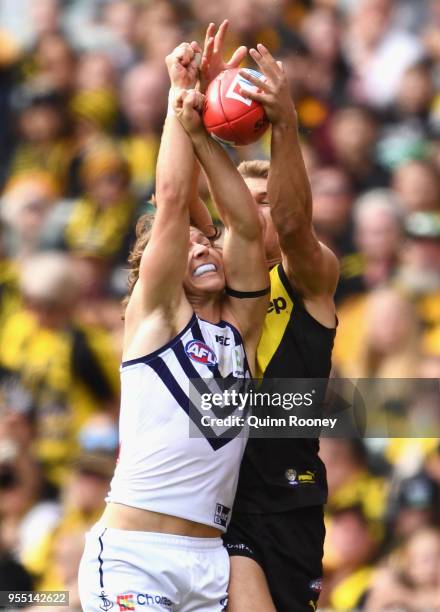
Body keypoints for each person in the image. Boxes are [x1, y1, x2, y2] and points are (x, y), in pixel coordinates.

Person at [78, 39, 269, 611]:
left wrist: (207, 127)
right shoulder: (157, 316)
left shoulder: (242, 327)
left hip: (209, 563)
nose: (202, 248)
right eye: (183, 247)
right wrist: (178, 99)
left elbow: (246, 227)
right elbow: (171, 196)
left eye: (205, 240)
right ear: (157, 272)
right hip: (137, 552)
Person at [211, 45, 339, 611]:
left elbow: (291, 223)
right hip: (206, 498)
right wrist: (202, 107)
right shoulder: (202, 279)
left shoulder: (310, 273)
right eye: (244, 200)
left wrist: (283, 125)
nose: (255, 210)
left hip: (287, 497)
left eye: (263, 199)